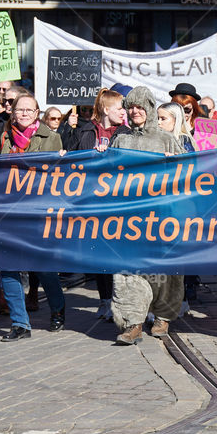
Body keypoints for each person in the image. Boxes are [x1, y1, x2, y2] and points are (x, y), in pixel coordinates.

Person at [0, 93, 66, 341]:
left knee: (44, 267)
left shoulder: (51, 137)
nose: (25, 114)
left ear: (37, 112)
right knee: (8, 269)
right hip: (9, 213)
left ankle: (58, 309)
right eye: (20, 110)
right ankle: (20, 323)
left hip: (38, 213)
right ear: (13, 113)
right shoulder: (3, 138)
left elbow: (56, 176)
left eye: (30, 110)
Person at [110, 87, 186, 344]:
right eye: (130, 106)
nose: (135, 111)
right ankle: (133, 322)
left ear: (150, 109)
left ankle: (163, 316)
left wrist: (174, 163)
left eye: (140, 106)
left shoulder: (166, 140)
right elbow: (107, 174)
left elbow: (189, 172)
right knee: (128, 271)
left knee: (165, 268)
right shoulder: (120, 140)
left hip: (162, 216)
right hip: (129, 216)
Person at [71, 88, 129, 320]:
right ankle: (105, 300)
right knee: (99, 254)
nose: (124, 112)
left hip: (118, 202)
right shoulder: (85, 131)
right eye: (119, 108)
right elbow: (74, 159)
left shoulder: (127, 133)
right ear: (106, 109)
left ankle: (122, 300)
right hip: (92, 202)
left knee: (119, 255)